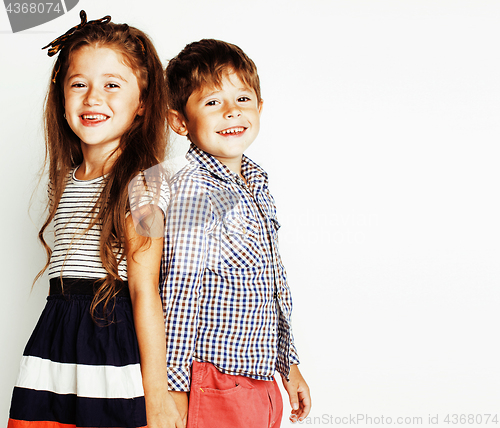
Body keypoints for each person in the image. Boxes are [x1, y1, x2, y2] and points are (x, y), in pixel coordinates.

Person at [8, 11, 183, 428]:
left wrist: (157, 399)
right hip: (55, 336)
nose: (92, 98)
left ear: (142, 103)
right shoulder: (66, 181)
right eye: (79, 84)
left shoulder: (144, 186)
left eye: (111, 85)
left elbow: (145, 292)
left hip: (109, 342)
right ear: (60, 96)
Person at [162, 39, 312, 428]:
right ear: (179, 121)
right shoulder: (195, 189)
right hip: (212, 379)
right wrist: (175, 389)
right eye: (212, 102)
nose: (232, 111)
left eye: (243, 99)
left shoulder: (257, 184)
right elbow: (181, 289)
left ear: (260, 108)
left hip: (258, 376)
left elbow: (273, 284)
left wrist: (288, 365)